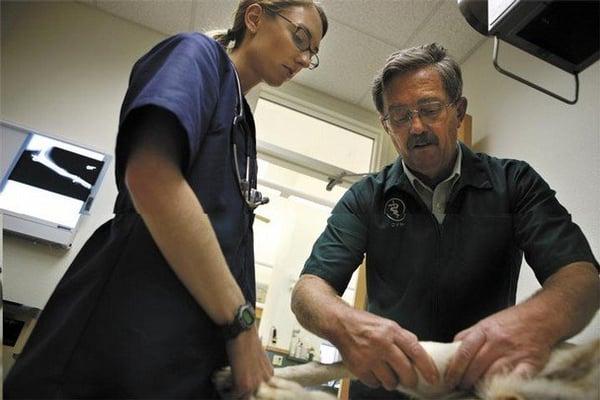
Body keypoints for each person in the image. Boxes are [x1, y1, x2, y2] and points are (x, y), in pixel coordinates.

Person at [4, 1, 327, 398]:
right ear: (255, 18)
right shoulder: (197, 56)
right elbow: (151, 177)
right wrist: (241, 326)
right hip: (117, 346)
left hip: (176, 363)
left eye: (312, 53)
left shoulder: (243, 125)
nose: (304, 56)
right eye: (301, 38)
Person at [291, 43, 599, 399]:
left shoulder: (514, 183)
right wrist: (347, 326)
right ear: (387, 126)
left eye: (430, 109)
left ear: (458, 110)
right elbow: (308, 290)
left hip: (484, 387)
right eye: (400, 116)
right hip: (386, 391)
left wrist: (534, 324)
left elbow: (581, 277)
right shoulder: (365, 198)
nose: (417, 126)